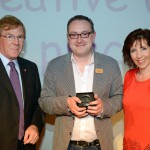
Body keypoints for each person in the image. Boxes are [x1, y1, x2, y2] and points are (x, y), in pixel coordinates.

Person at [39, 15, 122, 150]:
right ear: (68, 38)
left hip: (100, 145)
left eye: (84, 34)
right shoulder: (54, 66)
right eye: (73, 35)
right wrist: (66, 104)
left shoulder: (110, 64)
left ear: (93, 36)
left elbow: (119, 97)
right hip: (66, 145)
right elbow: (44, 101)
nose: (79, 40)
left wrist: (103, 107)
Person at [0, 15, 44, 150]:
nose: (16, 42)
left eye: (20, 37)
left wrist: (35, 125)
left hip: (26, 145)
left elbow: (39, 104)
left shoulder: (31, 68)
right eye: (10, 36)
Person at [122, 28, 150, 150]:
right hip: (130, 144)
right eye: (133, 50)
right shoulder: (129, 76)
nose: (139, 55)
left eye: (143, 48)